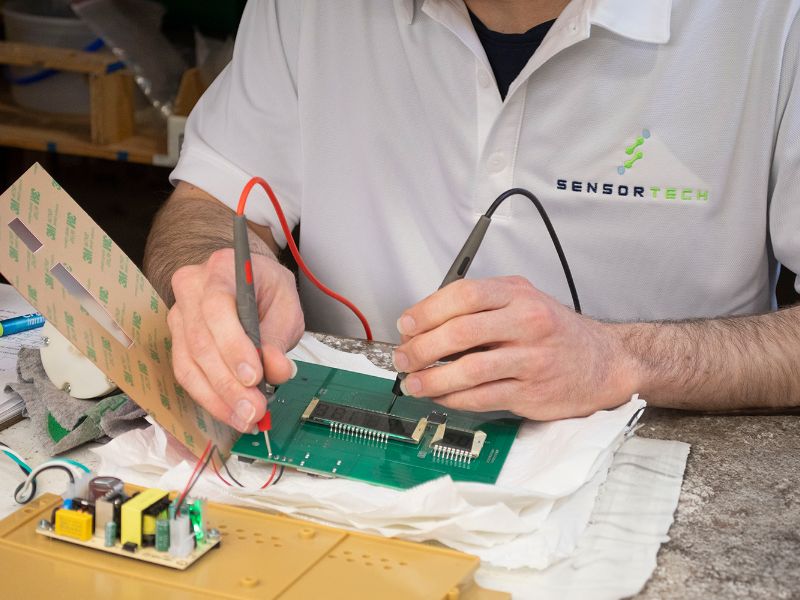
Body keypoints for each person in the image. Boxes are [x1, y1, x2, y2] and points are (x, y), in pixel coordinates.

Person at [144, 0, 800, 434]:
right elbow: (207, 205)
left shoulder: (769, 20)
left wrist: (622, 359)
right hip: (349, 446)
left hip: (665, 467)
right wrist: (222, 273)